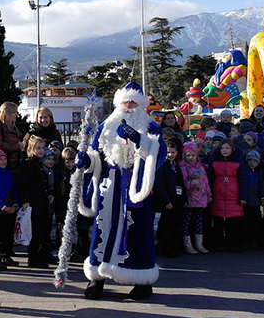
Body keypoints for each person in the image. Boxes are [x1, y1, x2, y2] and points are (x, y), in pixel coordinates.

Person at [76, 82, 165, 301]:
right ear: (118, 103)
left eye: (133, 101)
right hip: (110, 188)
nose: (129, 105)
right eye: (125, 101)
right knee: (102, 232)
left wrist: (139, 140)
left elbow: (158, 154)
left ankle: (142, 282)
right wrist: (87, 160)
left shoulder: (152, 127)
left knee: (137, 234)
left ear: (141, 103)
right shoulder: (106, 126)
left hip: (134, 188)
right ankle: (97, 278)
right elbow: (96, 155)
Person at [18, 135, 53, 268]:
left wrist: (49, 194)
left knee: (42, 231)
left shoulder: (39, 163)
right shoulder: (28, 163)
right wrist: (25, 200)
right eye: (38, 148)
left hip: (41, 202)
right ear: (31, 148)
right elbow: (23, 183)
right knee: (34, 232)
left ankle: (41, 257)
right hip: (33, 203)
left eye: (42, 148)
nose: (41, 150)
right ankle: (34, 258)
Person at [208, 139, 244, 252]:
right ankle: (218, 244)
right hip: (217, 196)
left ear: (232, 150)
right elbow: (209, 180)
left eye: (227, 148)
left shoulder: (239, 163)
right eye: (222, 148)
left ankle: (233, 245)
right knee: (218, 223)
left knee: (233, 224)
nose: (224, 150)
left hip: (234, 197)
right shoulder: (214, 163)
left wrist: (243, 197)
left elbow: (243, 181)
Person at [153, 142, 185, 257]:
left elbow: (181, 183)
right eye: (167, 152)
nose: (170, 155)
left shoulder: (176, 166)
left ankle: (174, 247)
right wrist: (166, 201)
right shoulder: (161, 166)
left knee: (175, 226)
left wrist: (184, 199)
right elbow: (159, 185)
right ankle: (165, 248)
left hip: (177, 200)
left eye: (172, 152)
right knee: (166, 226)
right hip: (168, 202)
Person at [179, 142, 211, 254]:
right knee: (186, 222)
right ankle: (188, 245)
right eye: (188, 155)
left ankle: (199, 244)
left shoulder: (201, 166)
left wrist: (208, 194)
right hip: (189, 199)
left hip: (201, 199)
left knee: (199, 222)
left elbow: (205, 182)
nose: (191, 158)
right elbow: (183, 183)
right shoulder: (183, 167)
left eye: (193, 155)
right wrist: (192, 183)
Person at [239, 150, 264, 250]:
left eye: (254, 161)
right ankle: (245, 241)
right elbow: (242, 185)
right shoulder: (244, 171)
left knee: (255, 223)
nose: (252, 163)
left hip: (256, 202)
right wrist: (243, 197)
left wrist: (263, 196)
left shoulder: (259, 172)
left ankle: (254, 241)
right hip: (246, 202)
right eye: (250, 160)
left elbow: (262, 185)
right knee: (245, 224)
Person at [0, 102, 23, 173]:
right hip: (3, 164)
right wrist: (17, 146)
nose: (16, 115)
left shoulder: (12, 126)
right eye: (14, 112)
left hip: (15, 163)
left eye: (16, 112)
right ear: (7, 113)